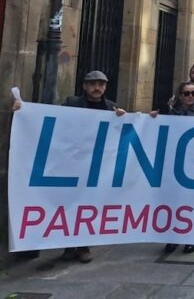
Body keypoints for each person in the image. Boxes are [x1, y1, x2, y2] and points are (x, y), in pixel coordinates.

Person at [11, 70, 126, 263]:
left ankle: (82, 246)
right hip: (72, 163)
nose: (97, 88)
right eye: (93, 84)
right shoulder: (72, 103)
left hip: (96, 166)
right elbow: (49, 117)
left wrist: (124, 117)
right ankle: (69, 246)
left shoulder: (112, 107)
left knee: (88, 205)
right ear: (85, 86)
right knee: (70, 203)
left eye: (101, 84)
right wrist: (23, 110)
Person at [161, 80, 194, 255]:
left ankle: (190, 237)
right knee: (174, 202)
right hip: (175, 163)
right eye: (186, 93)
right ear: (180, 95)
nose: (190, 96)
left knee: (192, 202)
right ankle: (173, 237)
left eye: (193, 93)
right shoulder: (173, 111)